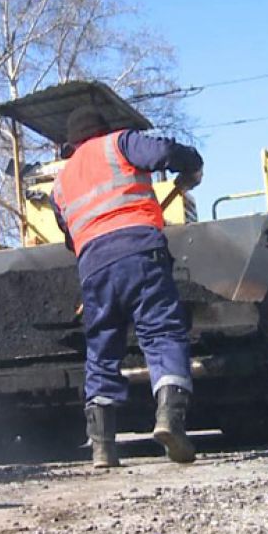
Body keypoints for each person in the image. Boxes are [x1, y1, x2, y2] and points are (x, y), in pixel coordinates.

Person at [51, 106, 203, 468]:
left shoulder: (61, 183)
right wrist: (192, 162)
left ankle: (102, 447)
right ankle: (169, 418)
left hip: (93, 268)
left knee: (102, 348)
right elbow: (164, 152)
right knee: (162, 332)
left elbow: (69, 235)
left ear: (71, 143)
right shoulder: (118, 143)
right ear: (101, 129)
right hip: (140, 251)